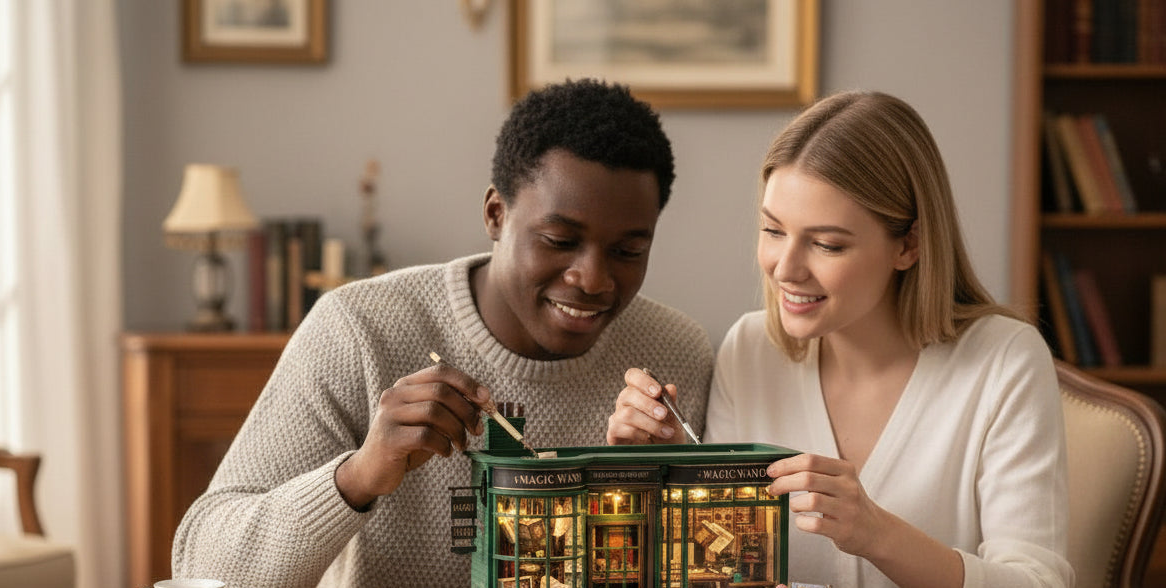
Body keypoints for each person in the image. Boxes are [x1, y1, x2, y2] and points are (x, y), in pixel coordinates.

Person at [172, 79, 714, 587]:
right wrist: (358, 477)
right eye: (557, 239)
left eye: (628, 252)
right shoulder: (358, 329)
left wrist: (651, 492)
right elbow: (201, 563)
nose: (593, 279)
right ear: (496, 214)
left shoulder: (675, 353)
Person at [607, 91, 1072, 588]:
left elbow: (1039, 582)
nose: (785, 269)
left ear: (908, 245)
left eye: (827, 244)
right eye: (773, 230)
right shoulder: (751, 349)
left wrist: (877, 533)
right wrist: (676, 475)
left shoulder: (1004, 362)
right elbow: (725, 564)